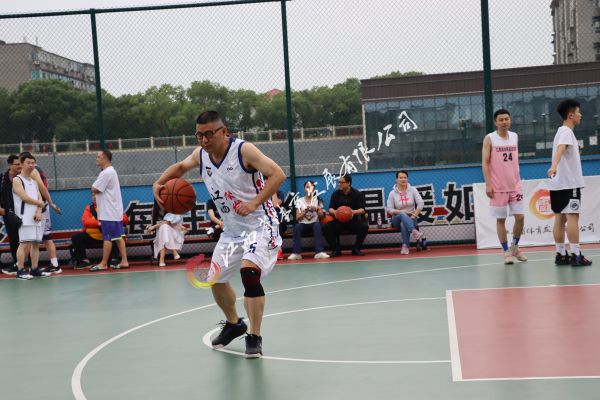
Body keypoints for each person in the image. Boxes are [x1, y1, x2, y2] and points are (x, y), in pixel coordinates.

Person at [152, 110, 285, 358]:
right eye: (199, 135)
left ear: (223, 132)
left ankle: (254, 336)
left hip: (261, 224)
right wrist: (158, 183)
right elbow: (180, 167)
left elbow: (277, 174)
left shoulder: (244, 150)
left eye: (209, 134)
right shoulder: (201, 155)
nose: (204, 140)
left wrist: (255, 202)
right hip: (232, 230)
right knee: (215, 279)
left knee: (249, 272)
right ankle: (234, 323)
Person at [547, 99, 592, 267]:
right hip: (569, 183)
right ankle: (576, 255)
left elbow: (563, 150)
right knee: (573, 216)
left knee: (560, 218)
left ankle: (561, 254)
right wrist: (554, 166)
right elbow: (561, 149)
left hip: (558, 184)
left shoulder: (561, 131)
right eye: (578, 112)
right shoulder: (566, 132)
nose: (581, 115)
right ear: (571, 115)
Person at [481, 109, 528, 265]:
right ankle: (506, 251)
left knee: (520, 217)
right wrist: (488, 184)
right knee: (501, 220)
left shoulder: (514, 136)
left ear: (510, 120)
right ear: (496, 122)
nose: (504, 122)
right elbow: (485, 162)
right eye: (501, 120)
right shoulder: (490, 138)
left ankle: (515, 247)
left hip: (515, 185)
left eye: (506, 119)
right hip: (498, 187)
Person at [20, 152, 63, 274]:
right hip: (38, 206)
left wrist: (51, 203)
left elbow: (43, 188)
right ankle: (34, 266)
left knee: (38, 239)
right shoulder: (32, 171)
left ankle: (24, 267)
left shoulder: (33, 171)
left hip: (40, 207)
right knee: (37, 239)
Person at [89, 150, 130, 271]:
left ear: (105, 158)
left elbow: (94, 189)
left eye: (98, 157)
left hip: (108, 212)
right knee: (118, 237)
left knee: (107, 238)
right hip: (114, 212)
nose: (96, 159)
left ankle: (103, 263)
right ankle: (124, 261)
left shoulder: (106, 173)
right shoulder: (111, 171)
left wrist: (94, 188)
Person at [12, 153, 49, 280]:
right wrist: (39, 204)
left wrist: (39, 210)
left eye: (33, 163)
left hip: (36, 218)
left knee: (35, 244)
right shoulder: (17, 180)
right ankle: (20, 271)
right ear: (22, 164)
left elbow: (39, 197)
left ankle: (34, 269)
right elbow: (24, 197)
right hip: (24, 218)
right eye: (28, 163)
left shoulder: (33, 181)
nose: (31, 165)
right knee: (23, 244)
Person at [70, 191, 129, 269]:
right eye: (92, 195)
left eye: (96, 195)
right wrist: (99, 223)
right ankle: (84, 261)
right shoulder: (89, 208)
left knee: (117, 236)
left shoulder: (112, 206)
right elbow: (85, 221)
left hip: (109, 237)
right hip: (93, 236)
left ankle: (114, 259)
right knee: (76, 238)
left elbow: (125, 219)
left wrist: (111, 221)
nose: (94, 197)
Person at [322, 174, 368, 256]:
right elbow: (330, 209)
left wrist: (351, 212)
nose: (339, 184)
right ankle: (336, 250)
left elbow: (362, 209)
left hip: (352, 221)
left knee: (364, 227)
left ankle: (356, 249)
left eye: (341, 182)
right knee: (326, 227)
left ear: (348, 183)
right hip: (339, 221)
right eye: (338, 182)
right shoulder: (335, 194)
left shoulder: (357, 194)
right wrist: (336, 212)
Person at [287, 180, 330, 260]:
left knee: (317, 225)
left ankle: (319, 252)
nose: (309, 189)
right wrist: (304, 212)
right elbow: (297, 218)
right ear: (304, 189)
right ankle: (296, 253)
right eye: (307, 187)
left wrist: (316, 209)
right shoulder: (299, 201)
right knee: (297, 227)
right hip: (303, 224)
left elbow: (321, 216)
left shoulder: (318, 200)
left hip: (315, 223)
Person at [386, 170, 425, 255]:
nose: (403, 179)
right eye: (400, 178)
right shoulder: (392, 193)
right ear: (396, 179)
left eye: (405, 177)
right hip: (396, 219)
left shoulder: (413, 190)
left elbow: (421, 203)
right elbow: (389, 209)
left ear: (407, 179)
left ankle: (405, 246)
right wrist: (401, 212)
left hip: (411, 218)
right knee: (402, 214)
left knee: (403, 223)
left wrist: (414, 215)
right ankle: (414, 232)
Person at [0, 155, 22, 275]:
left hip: (23, 213)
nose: (19, 166)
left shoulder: (23, 177)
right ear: (9, 165)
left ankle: (28, 264)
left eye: (20, 164)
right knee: (13, 239)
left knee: (26, 239)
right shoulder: (2, 178)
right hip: (8, 214)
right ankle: (16, 263)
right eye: (17, 164)